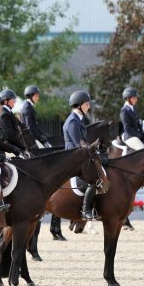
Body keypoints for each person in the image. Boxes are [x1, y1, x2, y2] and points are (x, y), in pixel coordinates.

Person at [63, 90, 96, 220]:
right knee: (94, 181)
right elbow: (78, 144)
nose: (89, 107)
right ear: (79, 105)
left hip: (79, 156)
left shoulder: (79, 120)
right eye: (87, 104)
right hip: (73, 158)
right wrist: (90, 150)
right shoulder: (73, 121)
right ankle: (85, 209)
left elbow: (83, 143)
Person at [0, 89, 28, 157]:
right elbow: (10, 135)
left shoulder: (8, 112)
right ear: (5, 101)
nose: (15, 101)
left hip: (12, 145)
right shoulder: (4, 114)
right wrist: (22, 147)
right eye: (13, 99)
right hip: (7, 147)